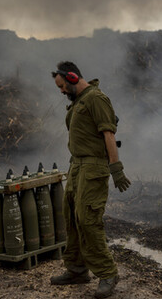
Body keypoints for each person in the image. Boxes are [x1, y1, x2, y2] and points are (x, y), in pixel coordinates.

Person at [49, 61, 131, 299]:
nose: (62, 91)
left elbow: (108, 134)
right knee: (72, 217)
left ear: (73, 78)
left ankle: (108, 273)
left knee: (88, 219)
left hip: (93, 167)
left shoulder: (96, 98)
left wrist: (116, 169)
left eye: (63, 86)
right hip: (77, 166)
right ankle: (76, 271)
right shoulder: (78, 102)